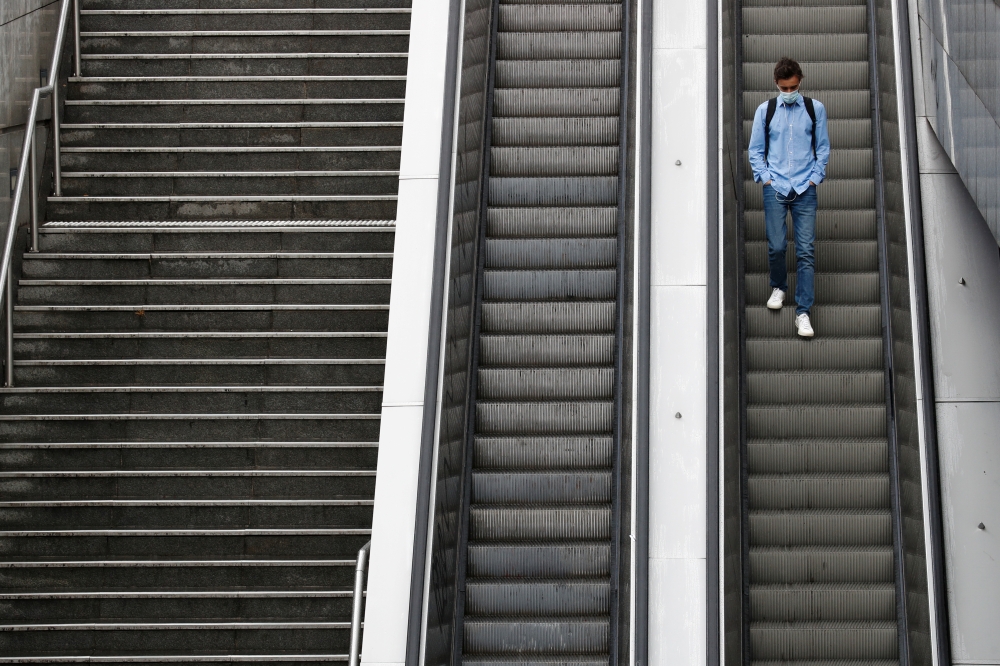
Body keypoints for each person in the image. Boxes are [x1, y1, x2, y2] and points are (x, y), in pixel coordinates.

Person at [747, 57, 831, 338]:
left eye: (793, 87)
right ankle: (779, 286)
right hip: (776, 186)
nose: (788, 92)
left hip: (805, 188)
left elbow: (823, 147)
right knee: (777, 245)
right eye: (783, 88)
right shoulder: (765, 110)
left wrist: (814, 179)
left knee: (806, 251)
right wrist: (766, 178)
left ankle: (803, 312)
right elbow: (755, 150)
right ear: (776, 84)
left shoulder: (814, 108)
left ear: (800, 81)